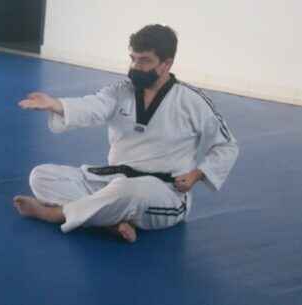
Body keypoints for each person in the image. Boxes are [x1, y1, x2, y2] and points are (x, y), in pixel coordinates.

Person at [13, 24, 238, 243]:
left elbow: (227, 146)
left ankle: (54, 214)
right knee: (41, 175)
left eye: (144, 60)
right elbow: (92, 106)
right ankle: (108, 222)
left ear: (166, 63)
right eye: (133, 58)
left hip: (163, 191)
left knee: (126, 191)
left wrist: (197, 174)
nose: (135, 67)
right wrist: (56, 104)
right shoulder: (120, 91)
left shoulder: (192, 101)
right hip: (114, 178)